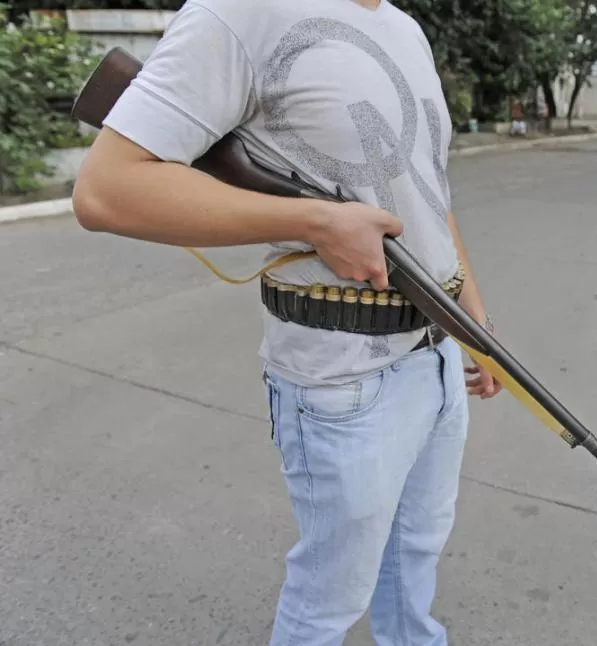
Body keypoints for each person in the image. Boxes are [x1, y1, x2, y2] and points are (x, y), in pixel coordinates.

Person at [71, 0, 503, 644]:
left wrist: (476, 324)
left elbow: (426, 190)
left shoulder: (405, 28)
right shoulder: (241, 10)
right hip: (344, 374)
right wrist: (315, 222)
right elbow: (106, 191)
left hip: (436, 356)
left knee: (414, 559)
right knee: (331, 596)